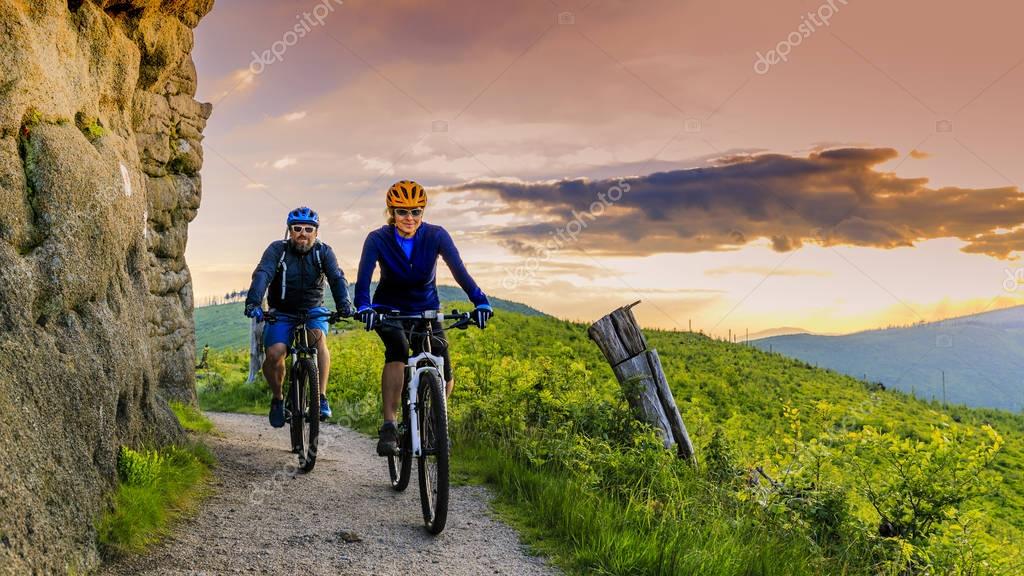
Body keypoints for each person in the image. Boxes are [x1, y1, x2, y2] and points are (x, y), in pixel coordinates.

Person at [354, 180, 493, 456]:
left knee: (443, 362)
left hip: (426, 308)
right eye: (403, 212)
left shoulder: (436, 235)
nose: (409, 218)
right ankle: (390, 426)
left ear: (423, 213)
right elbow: (363, 279)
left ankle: (433, 420)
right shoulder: (377, 239)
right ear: (391, 212)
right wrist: (364, 307)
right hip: (389, 309)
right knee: (397, 349)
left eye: (416, 212)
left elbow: (459, 271)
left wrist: (480, 301)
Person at [243, 207, 353, 428]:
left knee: (318, 339)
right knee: (274, 355)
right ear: (289, 231)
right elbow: (263, 273)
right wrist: (253, 302)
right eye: (297, 228)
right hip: (282, 312)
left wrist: (344, 305)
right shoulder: (277, 250)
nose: (303, 233)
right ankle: (278, 398)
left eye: (309, 229)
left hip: (313, 310)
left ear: (316, 231)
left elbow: (336, 278)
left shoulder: (324, 252)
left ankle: (321, 397)